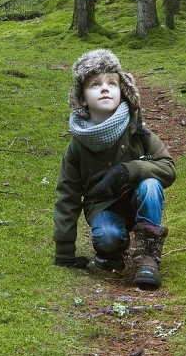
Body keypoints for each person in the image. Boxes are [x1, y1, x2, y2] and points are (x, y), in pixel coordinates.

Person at [53, 49, 176, 289]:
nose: (105, 88)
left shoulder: (138, 132)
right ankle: (113, 249)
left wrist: (129, 170)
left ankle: (148, 256)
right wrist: (65, 249)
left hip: (138, 199)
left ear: (123, 91)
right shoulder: (77, 147)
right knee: (107, 236)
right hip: (102, 206)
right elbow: (67, 196)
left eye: (112, 83)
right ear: (82, 98)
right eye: (95, 84)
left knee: (151, 183)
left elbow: (168, 168)